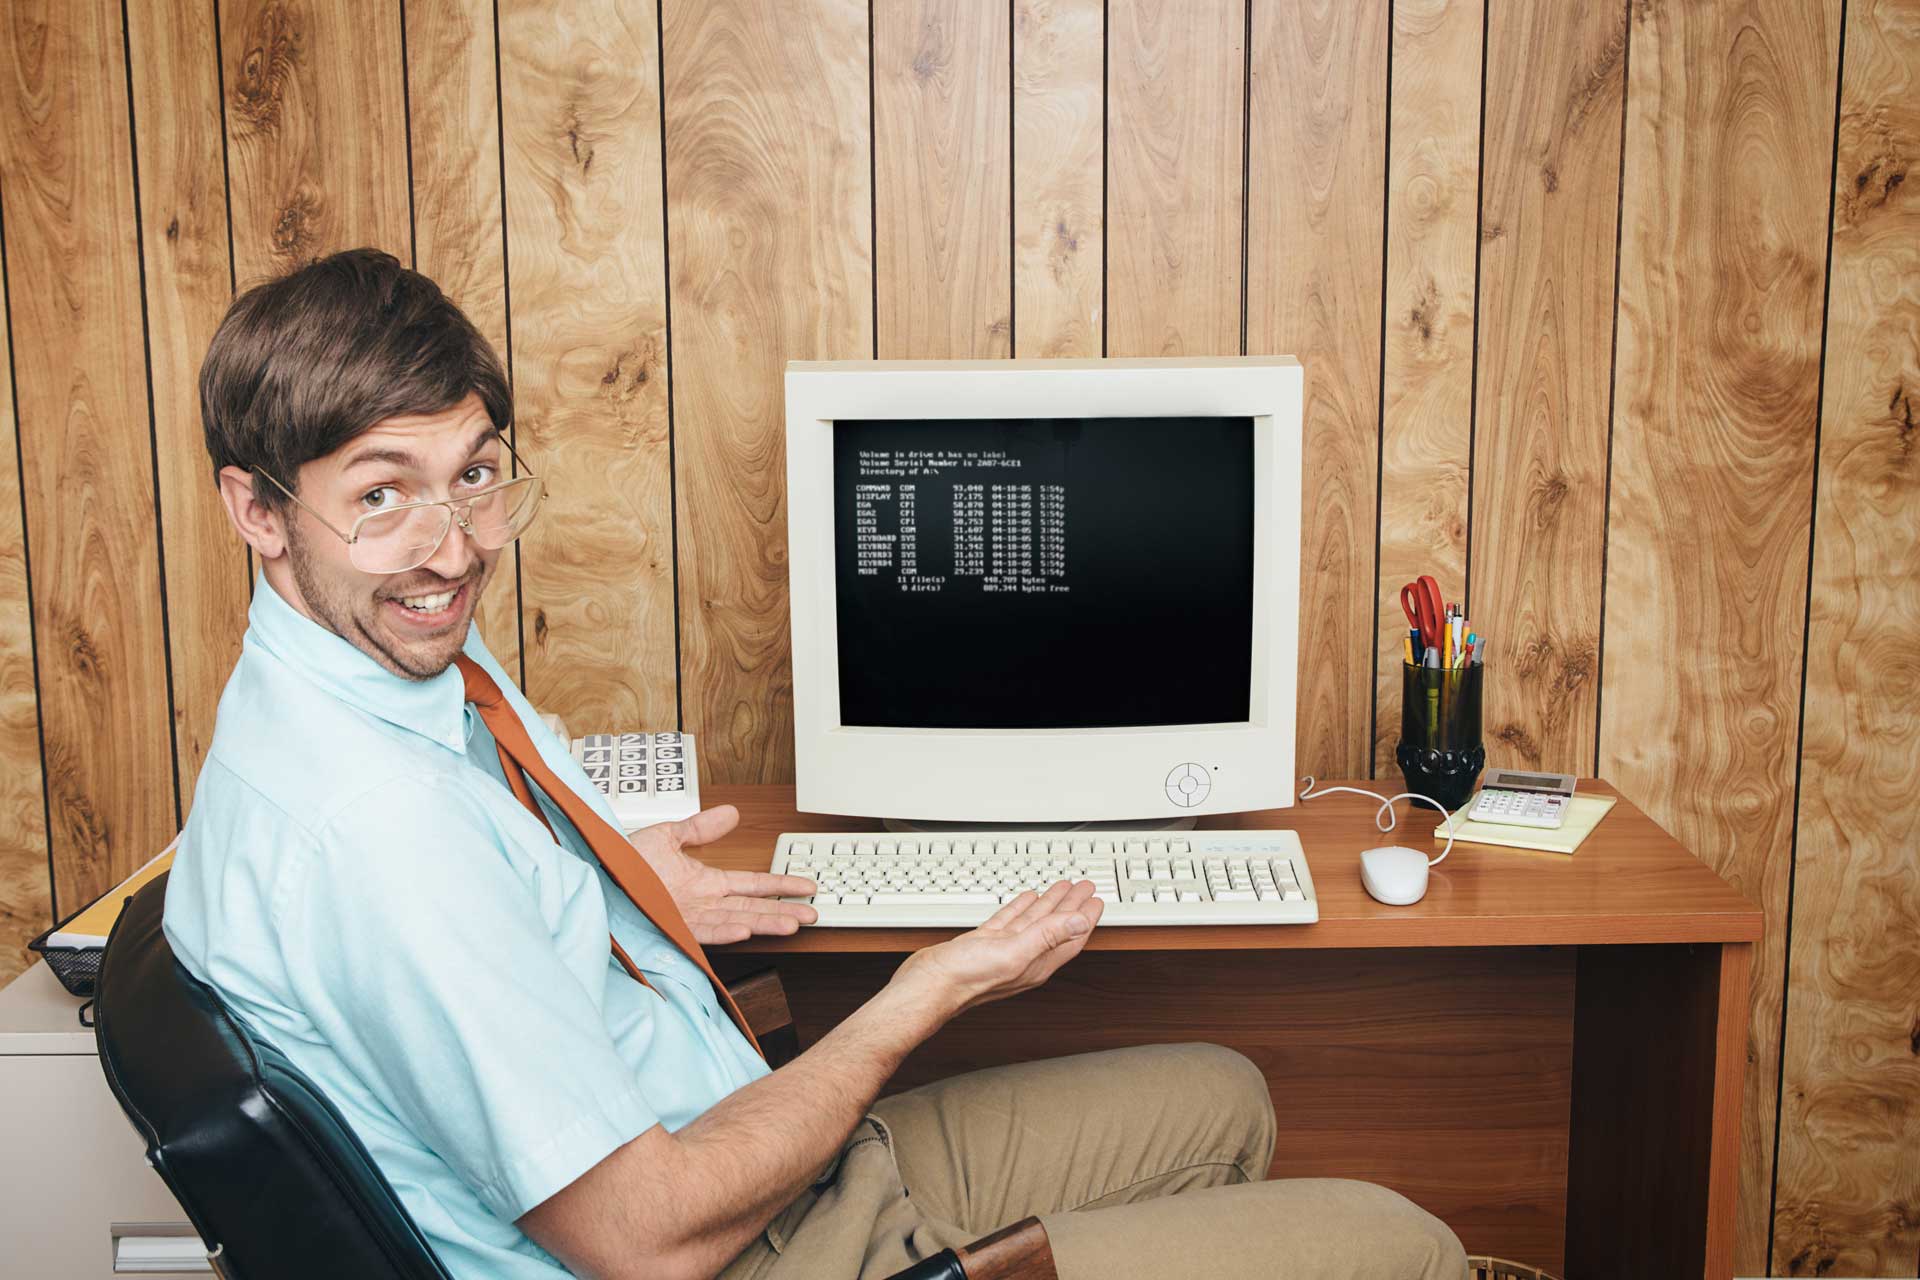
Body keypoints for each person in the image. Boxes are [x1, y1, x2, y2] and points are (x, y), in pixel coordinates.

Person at [163, 248, 1467, 1280]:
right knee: (1404, 1244)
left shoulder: (400, 674)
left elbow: (498, 908)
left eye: (475, 476)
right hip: (745, 1244)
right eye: (382, 493)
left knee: (1226, 1099)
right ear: (257, 509)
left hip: (770, 1158)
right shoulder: (374, 832)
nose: (452, 549)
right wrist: (924, 991)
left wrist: (613, 885)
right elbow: (643, 1238)